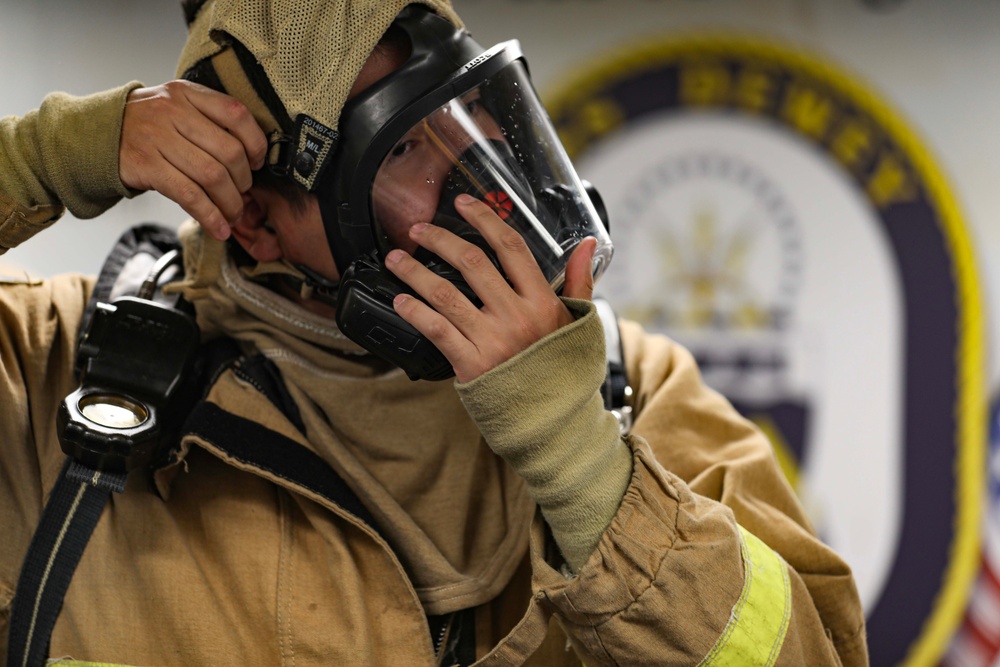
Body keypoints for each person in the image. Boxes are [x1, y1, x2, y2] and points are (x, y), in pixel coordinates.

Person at [0, 0, 869, 665]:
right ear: (259, 225)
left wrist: (585, 468)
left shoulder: (627, 394)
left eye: (479, 111)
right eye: (408, 149)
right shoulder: (50, 381)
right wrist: (38, 160)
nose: (482, 171)